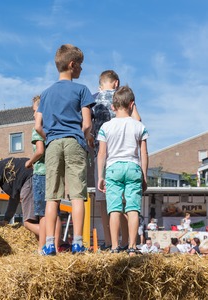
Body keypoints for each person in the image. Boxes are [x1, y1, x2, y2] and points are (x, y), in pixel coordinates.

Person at [35, 44, 94, 255]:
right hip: (73, 141)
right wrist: (84, 137)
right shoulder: (82, 90)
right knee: (78, 194)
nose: (81, 69)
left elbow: (37, 126)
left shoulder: (46, 93)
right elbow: (87, 124)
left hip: (52, 144)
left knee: (53, 196)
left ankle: (49, 243)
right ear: (72, 64)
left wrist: (49, 137)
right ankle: (77, 242)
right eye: (80, 65)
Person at [92, 70, 141, 250]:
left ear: (101, 83)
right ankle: (127, 241)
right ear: (116, 83)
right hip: (127, 159)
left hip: (103, 156)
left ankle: (109, 242)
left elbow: (89, 128)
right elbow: (138, 120)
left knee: (107, 201)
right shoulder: (123, 98)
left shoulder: (93, 100)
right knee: (128, 202)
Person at [97, 85, 149, 256]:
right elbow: (144, 153)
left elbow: (102, 153)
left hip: (113, 168)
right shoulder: (139, 126)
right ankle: (132, 247)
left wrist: (100, 176)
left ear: (113, 107)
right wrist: (144, 176)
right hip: (133, 167)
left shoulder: (106, 127)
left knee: (114, 209)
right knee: (133, 209)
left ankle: (113, 247)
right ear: (132, 104)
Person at [25, 95, 62, 253]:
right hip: (55, 172)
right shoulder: (54, 127)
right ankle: (56, 245)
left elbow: (39, 151)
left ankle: (42, 247)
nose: (33, 114)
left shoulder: (37, 128)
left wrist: (29, 162)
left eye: (35, 111)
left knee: (42, 212)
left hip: (41, 173)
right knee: (55, 211)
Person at [0, 157, 39, 236]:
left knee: (29, 223)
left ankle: (53, 240)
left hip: (29, 180)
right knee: (40, 219)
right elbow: (14, 198)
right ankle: (50, 243)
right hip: (39, 176)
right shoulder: (9, 170)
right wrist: (6, 220)